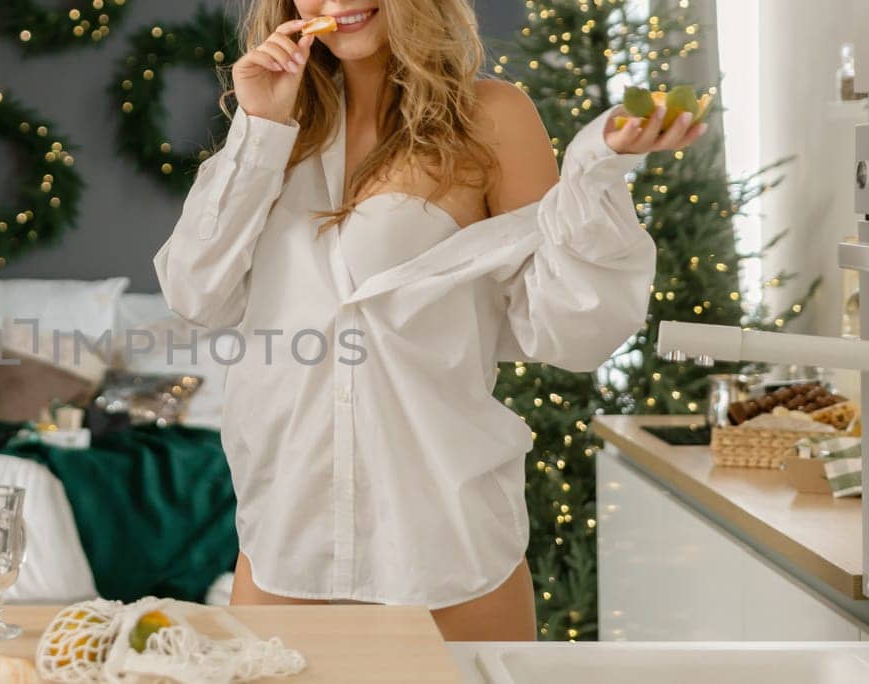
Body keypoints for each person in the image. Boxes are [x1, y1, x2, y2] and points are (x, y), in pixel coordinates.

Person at [154, 0, 705, 641]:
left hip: (444, 542)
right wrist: (258, 128)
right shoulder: (280, 121)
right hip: (287, 536)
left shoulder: (490, 116)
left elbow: (566, 329)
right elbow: (196, 293)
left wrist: (594, 173)